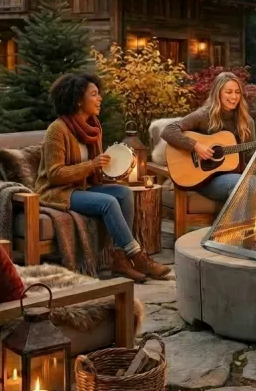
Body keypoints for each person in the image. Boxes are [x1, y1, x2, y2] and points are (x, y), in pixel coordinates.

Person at [34, 72, 171, 283]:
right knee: (107, 202)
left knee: (123, 193)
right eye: (94, 94)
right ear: (79, 99)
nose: (100, 99)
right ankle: (137, 255)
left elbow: (95, 170)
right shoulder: (57, 130)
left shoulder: (93, 127)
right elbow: (55, 175)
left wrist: (113, 168)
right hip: (58, 192)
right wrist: (92, 164)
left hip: (85, 187)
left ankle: (120, 262)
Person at [162, 71, 256, 202]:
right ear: (218, 93)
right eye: (229, 92)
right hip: (205, 179)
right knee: (249, 184)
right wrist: (196, 146)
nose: (234, 96)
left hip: (234, 174)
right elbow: (168, 131)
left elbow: (250, 154)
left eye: (237, 92)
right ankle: (235, 222)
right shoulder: (203, 115)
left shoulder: (246, 121)